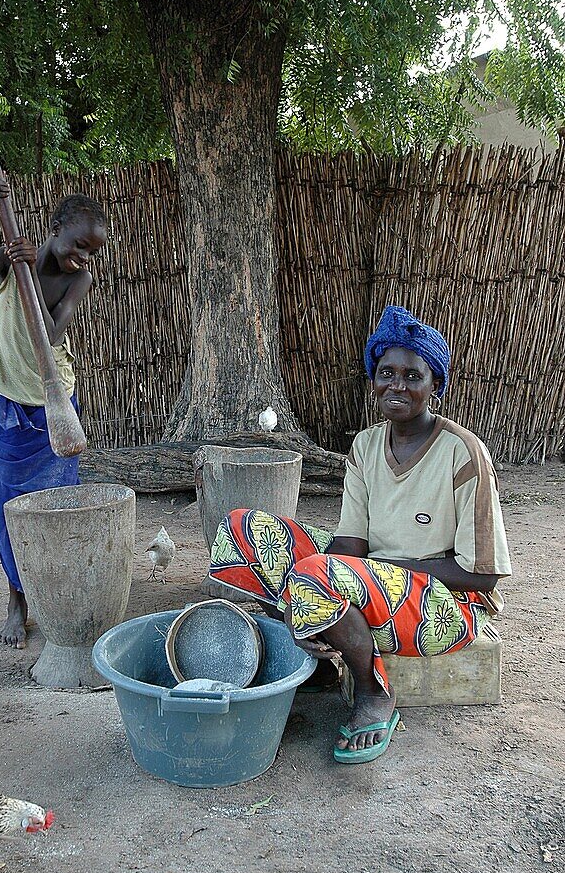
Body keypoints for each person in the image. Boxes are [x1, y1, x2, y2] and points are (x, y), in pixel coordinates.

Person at [209, 305, 511, 764]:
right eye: (386, 373)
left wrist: (348, 576)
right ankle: (321, 656)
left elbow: (483, 575)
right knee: (241, 531)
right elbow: (350, 544)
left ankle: (373, 692)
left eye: (414, 376)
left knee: (316, 578)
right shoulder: (367, 445)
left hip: (449, 604)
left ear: (436, 386)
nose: (397, 385)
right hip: (369, 581)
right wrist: (308, 588)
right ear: (373, 380)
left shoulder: (463, 452)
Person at [0, 171, 107, 648]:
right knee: (10, 509)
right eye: (78, 244)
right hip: (9, 404)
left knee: (54, 508)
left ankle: (55, 599)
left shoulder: (78, 280)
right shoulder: (10, 257)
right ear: (56, 225)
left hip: (53, 405)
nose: (82, 256)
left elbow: (51, 336)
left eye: (91, 251)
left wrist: (28, 276)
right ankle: (16, 602)